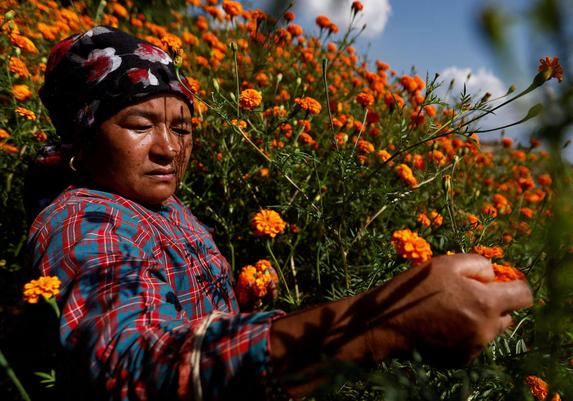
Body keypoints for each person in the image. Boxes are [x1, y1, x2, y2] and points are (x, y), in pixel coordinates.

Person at [27, 26, 533, 401]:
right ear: (83, 134)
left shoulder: (160, 204)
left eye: (181, 128)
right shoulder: (84, 222)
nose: (168, 149)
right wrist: (378, 323)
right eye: (140, 124)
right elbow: (133, 367)